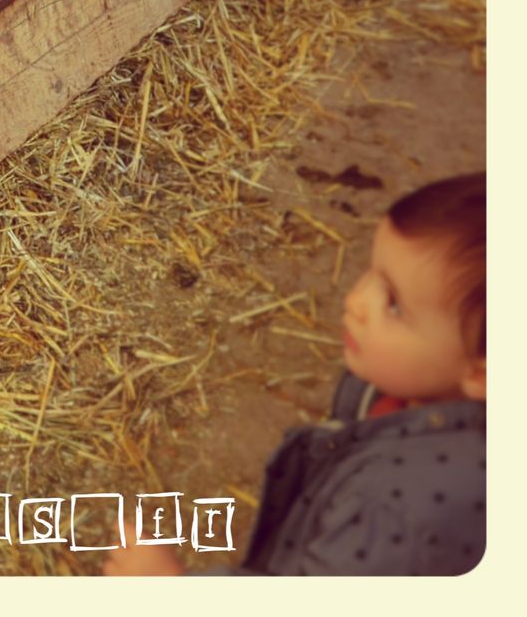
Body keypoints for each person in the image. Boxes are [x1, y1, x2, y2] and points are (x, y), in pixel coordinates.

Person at [107, 172, 485, 576]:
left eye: (393, 304)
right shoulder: (408, 388)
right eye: (371, 272)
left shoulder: (393, 514)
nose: (356, 300)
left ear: (483, 372)